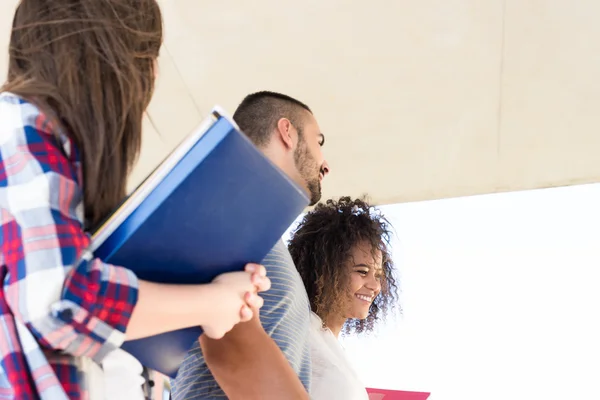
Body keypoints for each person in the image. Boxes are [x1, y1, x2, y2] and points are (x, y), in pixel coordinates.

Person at [0, 2, 270, 399]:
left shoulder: (53, 155)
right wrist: (208, 303)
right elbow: (58, 300)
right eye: (148, 56)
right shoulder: (16, 124)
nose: (155, 75)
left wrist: (219, 299)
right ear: (111, 60)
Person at [171, 91, 330, 400]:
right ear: (288, 132)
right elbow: (231, 350)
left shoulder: (257, 226)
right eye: (318, 141)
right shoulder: (230, 206)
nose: (326, 165)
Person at [287, 196, 399, 400]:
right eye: (362, 271)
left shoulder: (326, 344)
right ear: (325, 270)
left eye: (379, 275)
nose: (374, 286)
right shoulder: (299, 341)